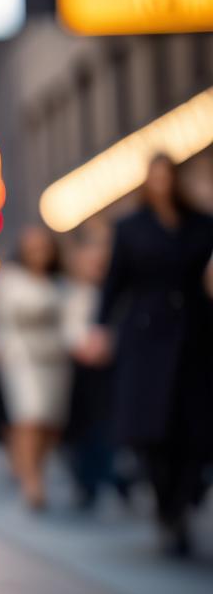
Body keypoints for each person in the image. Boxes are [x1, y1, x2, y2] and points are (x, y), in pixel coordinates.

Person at [92, 155, 213, 556]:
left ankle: (184, 501)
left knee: (194, 428)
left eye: (168, 176)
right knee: (152, 429)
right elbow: (114, 284)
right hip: (146, 338)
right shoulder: (129, 228)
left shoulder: (201, 224)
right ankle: (167, 508)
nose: (161, 184)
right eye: (155, 177)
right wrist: (100, 328)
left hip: (196, 335)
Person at [0, 226, 71, 509]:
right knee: (29, 417)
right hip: (22, 359)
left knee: (50, 423)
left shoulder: (59, 280)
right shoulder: (10, 280)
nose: (39, 253)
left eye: (44, 248)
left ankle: (34, 467)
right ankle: (32, 482)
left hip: (56, 358)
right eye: (33, 248)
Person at [62, 224, 126, 510]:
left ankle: (112, 477)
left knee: (108, 424)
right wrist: (81, 345)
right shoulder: (73, 290)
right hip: (79, 367)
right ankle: (87, 481)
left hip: (112, 365)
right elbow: (65, 327)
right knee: (83, 427)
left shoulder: (118, 289)